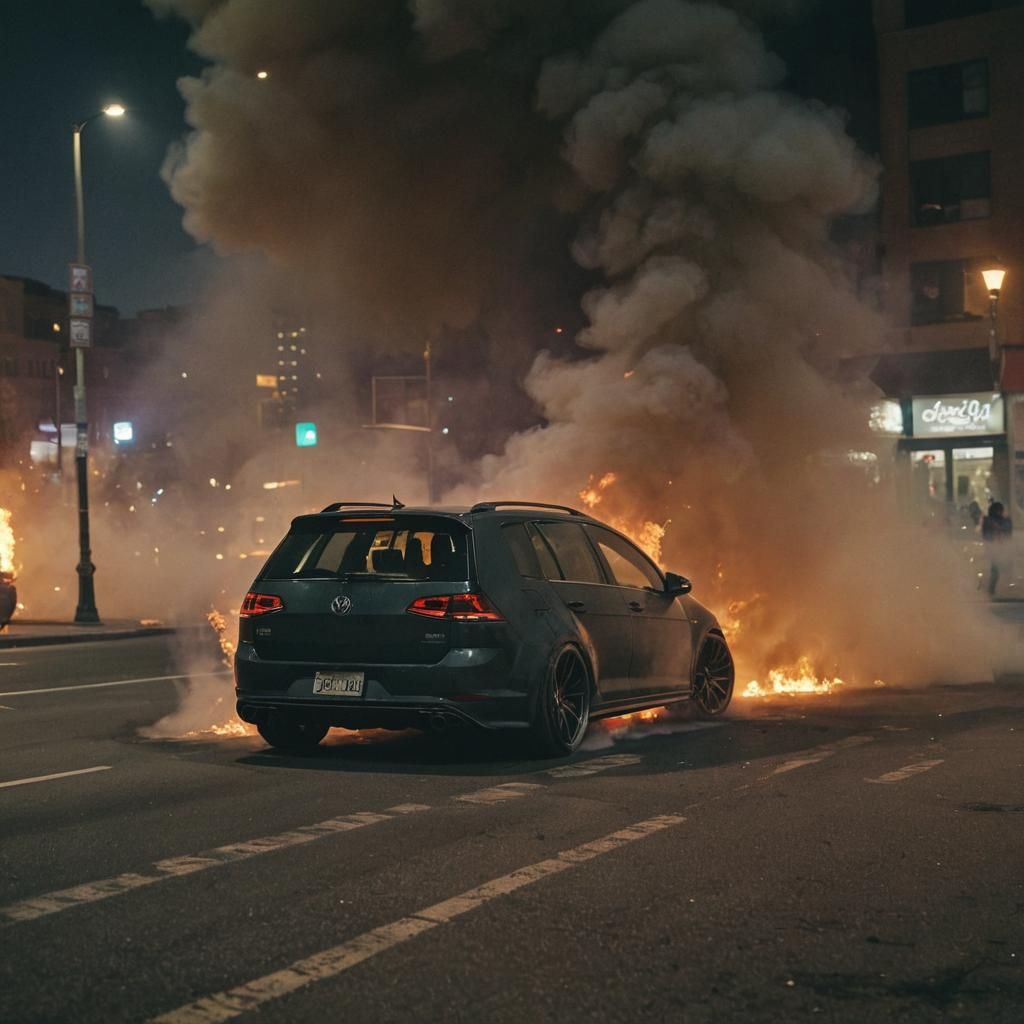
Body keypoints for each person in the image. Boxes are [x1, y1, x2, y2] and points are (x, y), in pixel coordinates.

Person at [981, 501, 1013, 597]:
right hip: (993, 547)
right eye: (997, 511)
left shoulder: (1005, 521)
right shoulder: (988, 520)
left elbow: (1008, 532)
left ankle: (994, 588)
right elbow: (986, 535)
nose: (999, 512)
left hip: (1002, 547)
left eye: (1000, 510)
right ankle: (991, 589)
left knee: (1002, 569)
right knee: (995, 569)